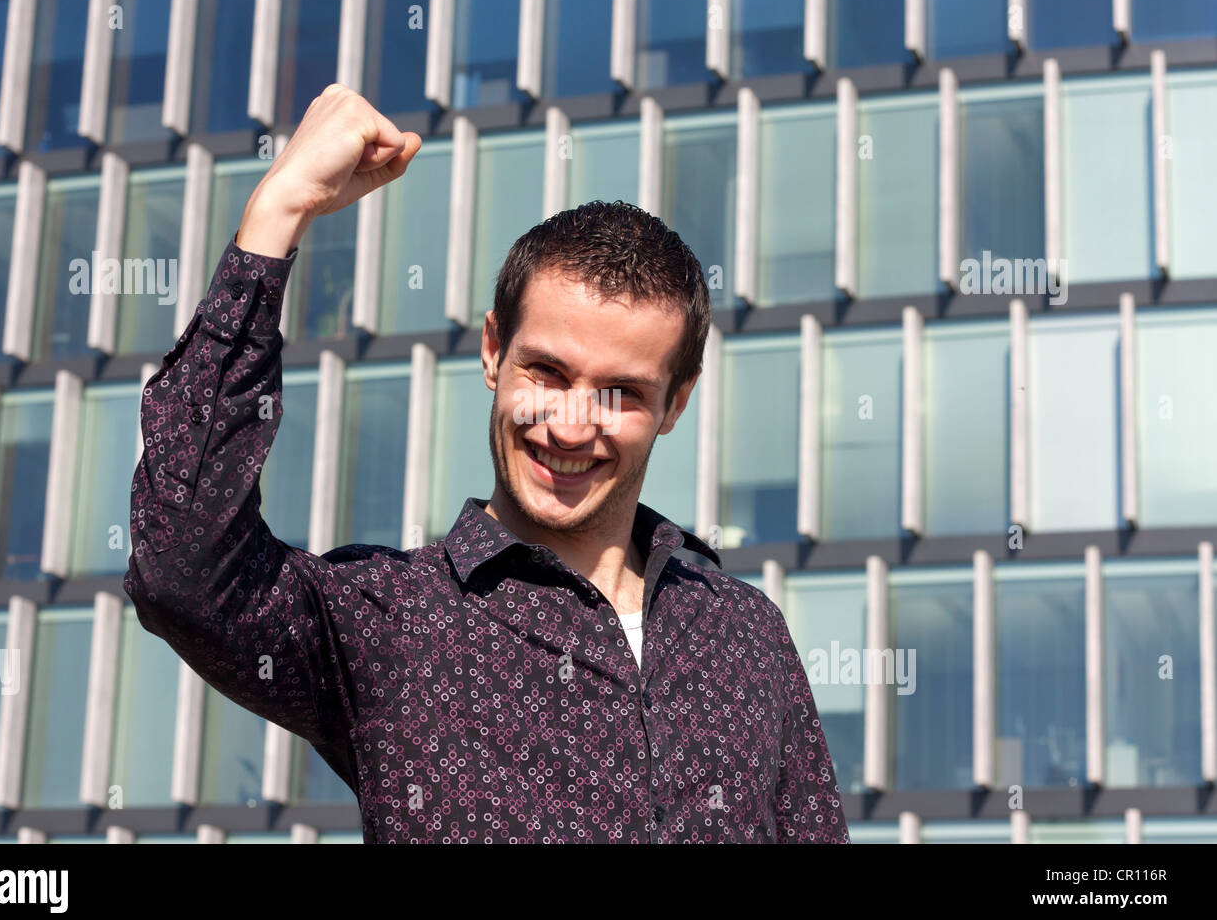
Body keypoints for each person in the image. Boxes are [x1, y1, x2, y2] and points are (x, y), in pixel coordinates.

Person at [124, 83, 849, 843]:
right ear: (494, 351)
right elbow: (182, 570)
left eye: (620, 392)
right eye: (547, 371)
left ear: (676, 403)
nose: (572, 426)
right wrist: (277, 212)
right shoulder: (392, 625)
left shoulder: (744, 634)